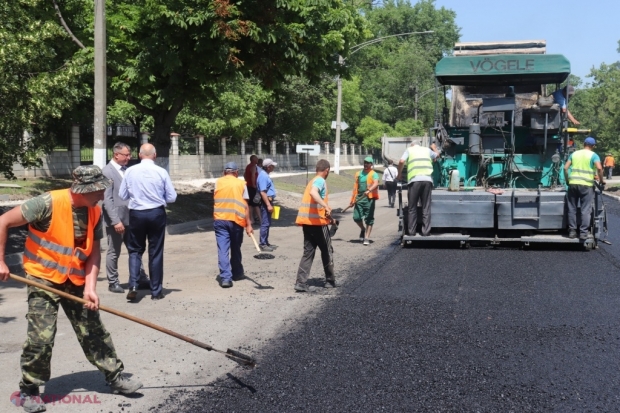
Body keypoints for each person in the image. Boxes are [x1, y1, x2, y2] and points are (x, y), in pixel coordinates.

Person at [0, 165, 142, 413]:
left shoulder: (94, 211)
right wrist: (0, 260)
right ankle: (29, 390)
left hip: (74, 279)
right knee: (41, 336)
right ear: (82, 189)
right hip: (42, 278)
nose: (101, 194)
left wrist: (90, 287)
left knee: (93, 330)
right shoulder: (46, 203)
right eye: (97, 190)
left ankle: (115, 378)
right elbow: (3, 221)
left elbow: (94, 251)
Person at [119, 143, 177, 301]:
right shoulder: (161, 171)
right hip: (156, 213)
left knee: (135, 250)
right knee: (156, 251)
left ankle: (133, 285)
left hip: (137, 214)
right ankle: (156, 292)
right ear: (155, 156)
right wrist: (158, 198)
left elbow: (122, 195)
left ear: (139, 155)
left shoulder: (130, 171)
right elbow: (172, 197)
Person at [102, 142, 149, 293]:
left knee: (134, 249)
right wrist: (115, 221)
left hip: (131, 218)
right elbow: (106, 200)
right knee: (114, 251)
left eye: (130, 154)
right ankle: (113, 281)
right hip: (117, 220)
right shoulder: (107, 172)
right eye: (126, 155)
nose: (129, 157)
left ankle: (139, 277)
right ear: (116, 155)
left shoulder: (127, 170)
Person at [294, 159, 336, 292]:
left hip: (308, 223)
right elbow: (314, 193)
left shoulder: (312, 180)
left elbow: (314, 203)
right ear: (327, 170)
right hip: (318, 224)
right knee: (327, 251)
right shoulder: (320, 181)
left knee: (308, 252)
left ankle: (300, 282)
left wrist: (329, 216)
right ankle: (330, 280)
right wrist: (326, 206)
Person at [213, 162, 253, 288]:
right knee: (235, 248)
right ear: (236, 172)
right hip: (236, 221)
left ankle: (225, 278)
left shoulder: (218, 182)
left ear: (224, 172)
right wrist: (249, 224)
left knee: (223, 250)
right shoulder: (241, 184)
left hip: (220, 220)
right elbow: (246, 206)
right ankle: (237, 273)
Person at [563, 136, 604, 240]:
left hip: (572, 184)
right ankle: (583, 233)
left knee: (571, 208)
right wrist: (602, 180)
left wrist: (568, 180)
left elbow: (565, 167)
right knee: (585, 210)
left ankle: (572, 231)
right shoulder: (594, 155)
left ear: (584, 144)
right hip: (586, 186)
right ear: (593, 146)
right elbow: (599, 168)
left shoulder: (574, 154)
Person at [397, 139, 440, 236]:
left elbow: (401, 161)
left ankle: (411, 232)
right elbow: (437, 156)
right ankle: (425, 232)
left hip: (414, 181)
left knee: (412, 207)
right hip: (427, 180)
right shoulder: (427, 150)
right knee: (426, 207)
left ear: (412, 145)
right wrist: (434, 148)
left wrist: (399, 174)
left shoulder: (409, 150)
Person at [350, 156, 380, 246]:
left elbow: (376, 183)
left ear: (371, 164)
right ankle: (363, 229)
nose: (366, 164)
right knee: (356, 217)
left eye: (368, 163)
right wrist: (352, 200)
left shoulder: (374, 174)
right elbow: (355, 188)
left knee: (369, 219)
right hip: (359, 198)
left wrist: (369, 190)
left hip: (369, 199)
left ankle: (366, 237)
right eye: (365, 163)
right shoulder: (358, 174)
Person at [257, 158, 277, 251]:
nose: (274, 167)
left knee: (267, 223)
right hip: (266, 202)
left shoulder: (265, 175)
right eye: (272, 165)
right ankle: (263, 244)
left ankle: (266, 242)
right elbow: (263, 192)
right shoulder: (263, 176)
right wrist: (268, 204)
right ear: (268, 167)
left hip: (268, 201)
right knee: (265, 223)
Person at [244, 155, 261, 224]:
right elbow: (253, 176)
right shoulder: (254, 167)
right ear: (254, 160)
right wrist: (254, 185)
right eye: (256, 159)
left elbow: (244, 175)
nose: (258, 160)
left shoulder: (248, 166)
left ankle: (251, 219)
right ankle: (261, 219)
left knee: (250, 204)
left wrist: (247, 181)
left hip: (248, 186)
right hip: (252, 187)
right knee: (256, 204)